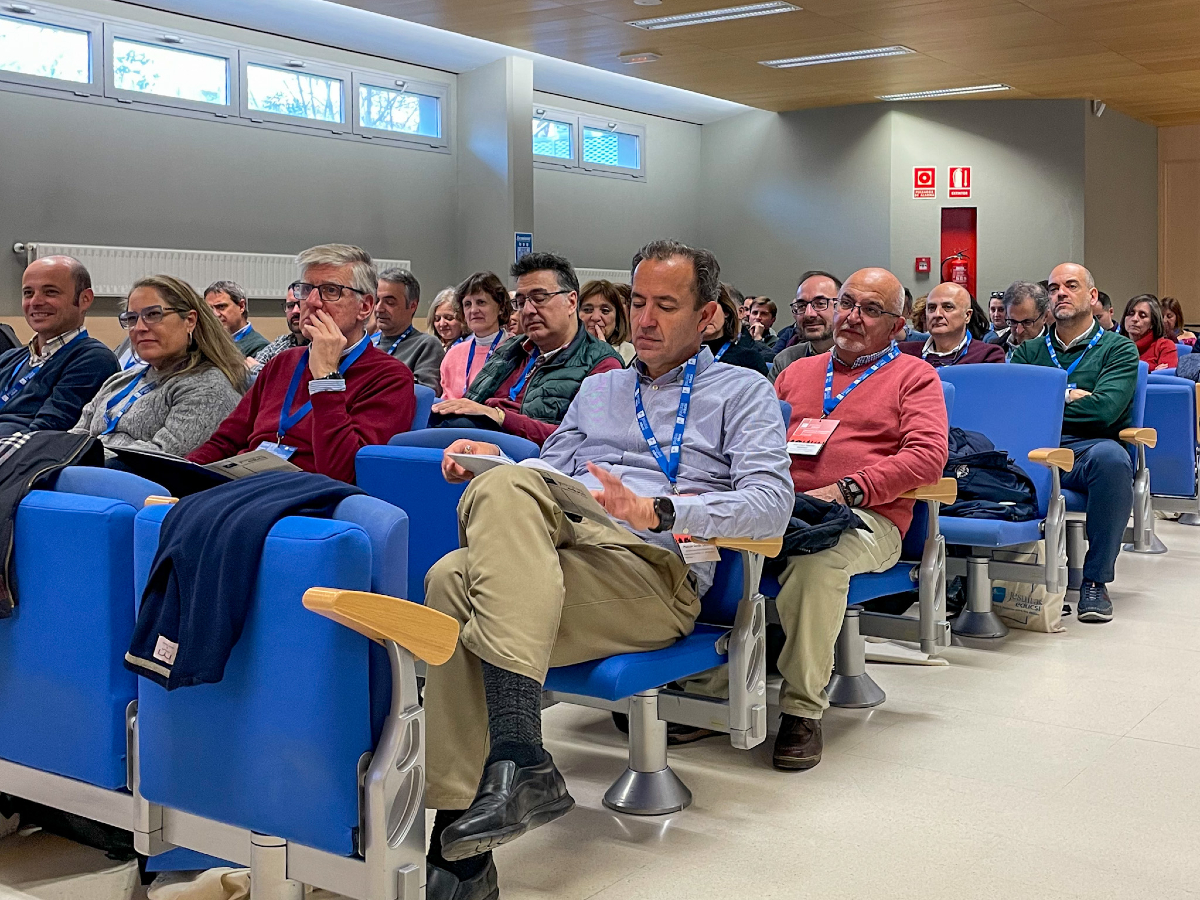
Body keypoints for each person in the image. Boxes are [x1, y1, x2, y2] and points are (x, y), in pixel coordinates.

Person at [421, 239, 793, 900]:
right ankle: (481, 812)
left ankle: (473, 820)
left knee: (455, 578)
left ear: (708, 317)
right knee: (462, 558)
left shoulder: (744, 390)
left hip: (657, 572)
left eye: (666, 306)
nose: (643, 320)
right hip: (572, 551)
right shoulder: (603, 390)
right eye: (637, 302)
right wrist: (490, 461)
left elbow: (771, 506)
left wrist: (661, 507)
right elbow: (550, 474)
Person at [762, 267, 948, 770]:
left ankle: (802, 709)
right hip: (781, 508)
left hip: (867, 518)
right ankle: (706, 688)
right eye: (847, 303)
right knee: (698, 543)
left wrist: (848, 488)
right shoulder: (796, 372)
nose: (851, 317)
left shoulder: (915, 376)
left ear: (897, 326)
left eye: (871, 310)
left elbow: (928, 456)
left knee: (815, 563)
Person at [188, 244, 416, 484]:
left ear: (365, 306)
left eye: (330, 290)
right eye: (306, 289)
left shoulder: (390, 377)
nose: (312, 302)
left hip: (309, 495)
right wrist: (181, 476)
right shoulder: (283, 362)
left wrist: (326, 379)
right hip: (247, 483)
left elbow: (344, 473)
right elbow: (226, 440)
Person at [1011, 263, 1140, 623]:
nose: (1060, 294)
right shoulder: (1027, 352)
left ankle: (1094, 581)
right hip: (1034, 448)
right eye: (1053, 288)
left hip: (1087, 449)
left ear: (1092, 296)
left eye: (1070, 286)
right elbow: (1017, 412)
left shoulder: (1119, 350)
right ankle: (970, 576)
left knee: (1113, 460)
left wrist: (1049, 403)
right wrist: (1070, 396)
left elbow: (1105, 412)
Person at [430, 252, 623, 445]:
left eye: (539, 298)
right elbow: (470, 403)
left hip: (531, 458)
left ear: (571, 302)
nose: (528, 310)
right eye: (521, 302)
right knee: (426, 414)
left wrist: (501, 417)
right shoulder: (510, 349)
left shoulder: (602, 364)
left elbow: (582, 441)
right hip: (477, 435)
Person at [70, 276, 246, 456]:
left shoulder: (208, 387)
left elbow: (158, 461)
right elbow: (74, 438)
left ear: (190, 321)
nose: (139, 327)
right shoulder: (119, 381)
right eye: (132, 318)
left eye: (153, 314)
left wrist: (79, 460)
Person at [0, 256, 118, 437]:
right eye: (28, 293)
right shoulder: (9, 358)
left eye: (50, 292)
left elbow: (44, 434)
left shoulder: (93, 359)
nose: (35, 301)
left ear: (85, 299)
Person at [438, 273, 512, 400]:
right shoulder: (453, 355)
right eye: (467, 304)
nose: (473, 310)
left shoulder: (516, 350)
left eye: (481, 302)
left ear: (501, 307)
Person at [374, 267, 445, 393]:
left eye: (389, 302)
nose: (379, 308)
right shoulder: (368, 343)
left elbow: (425, 395)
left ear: (412, 305)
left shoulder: (426, 345)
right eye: (377, 300)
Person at [899, 282, 1005, 366]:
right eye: (932, 308)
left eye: (948, 307)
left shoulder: (988, 355)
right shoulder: (904, 353)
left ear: (967, 315)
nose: (937, 314)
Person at [769, 271, 841, 382]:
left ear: (841, 307)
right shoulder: (785, 361)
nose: (809, 314)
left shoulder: (859, 360)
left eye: (820, 303)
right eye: (801, 306)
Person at [702, 286, 769, 375]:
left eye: (712, 308)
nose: (706, 315)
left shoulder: (749, 359)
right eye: (699, 307)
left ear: (726, 312)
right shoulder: (680, 356)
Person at [203, 280, 269, 361]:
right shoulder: (205, 342)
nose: (215, 314)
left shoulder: (260, 347)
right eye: (209, 309)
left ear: (241, 306)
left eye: (221, 306)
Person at [987, 281, 1050, 360]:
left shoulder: (1054, 352)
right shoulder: (993, 348)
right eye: (1013, 322)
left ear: (1045, 317)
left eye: (1027, 322)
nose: (1019, 331)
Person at [579, 279, 635, 364]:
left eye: (605, 311)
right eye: (587, 310)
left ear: (617, 318)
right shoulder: (563, 349)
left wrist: (603, 351)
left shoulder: (629, 352)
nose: (595, 317)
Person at [251, 294, 309, 374]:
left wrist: (260, 369)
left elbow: (292, 380)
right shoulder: (281, 342)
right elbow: (250, 366)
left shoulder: (319, 345)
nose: (295, 311)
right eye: (290, 306)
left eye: (301, 305)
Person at [1119, 294, 1177, 372]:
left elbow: (1164, 379)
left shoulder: (1164, 346)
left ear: (1153, 323)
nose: (1135, 319)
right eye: (1131, 313)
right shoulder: (1115, 345)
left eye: (1142, 315)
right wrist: (1152, 372)